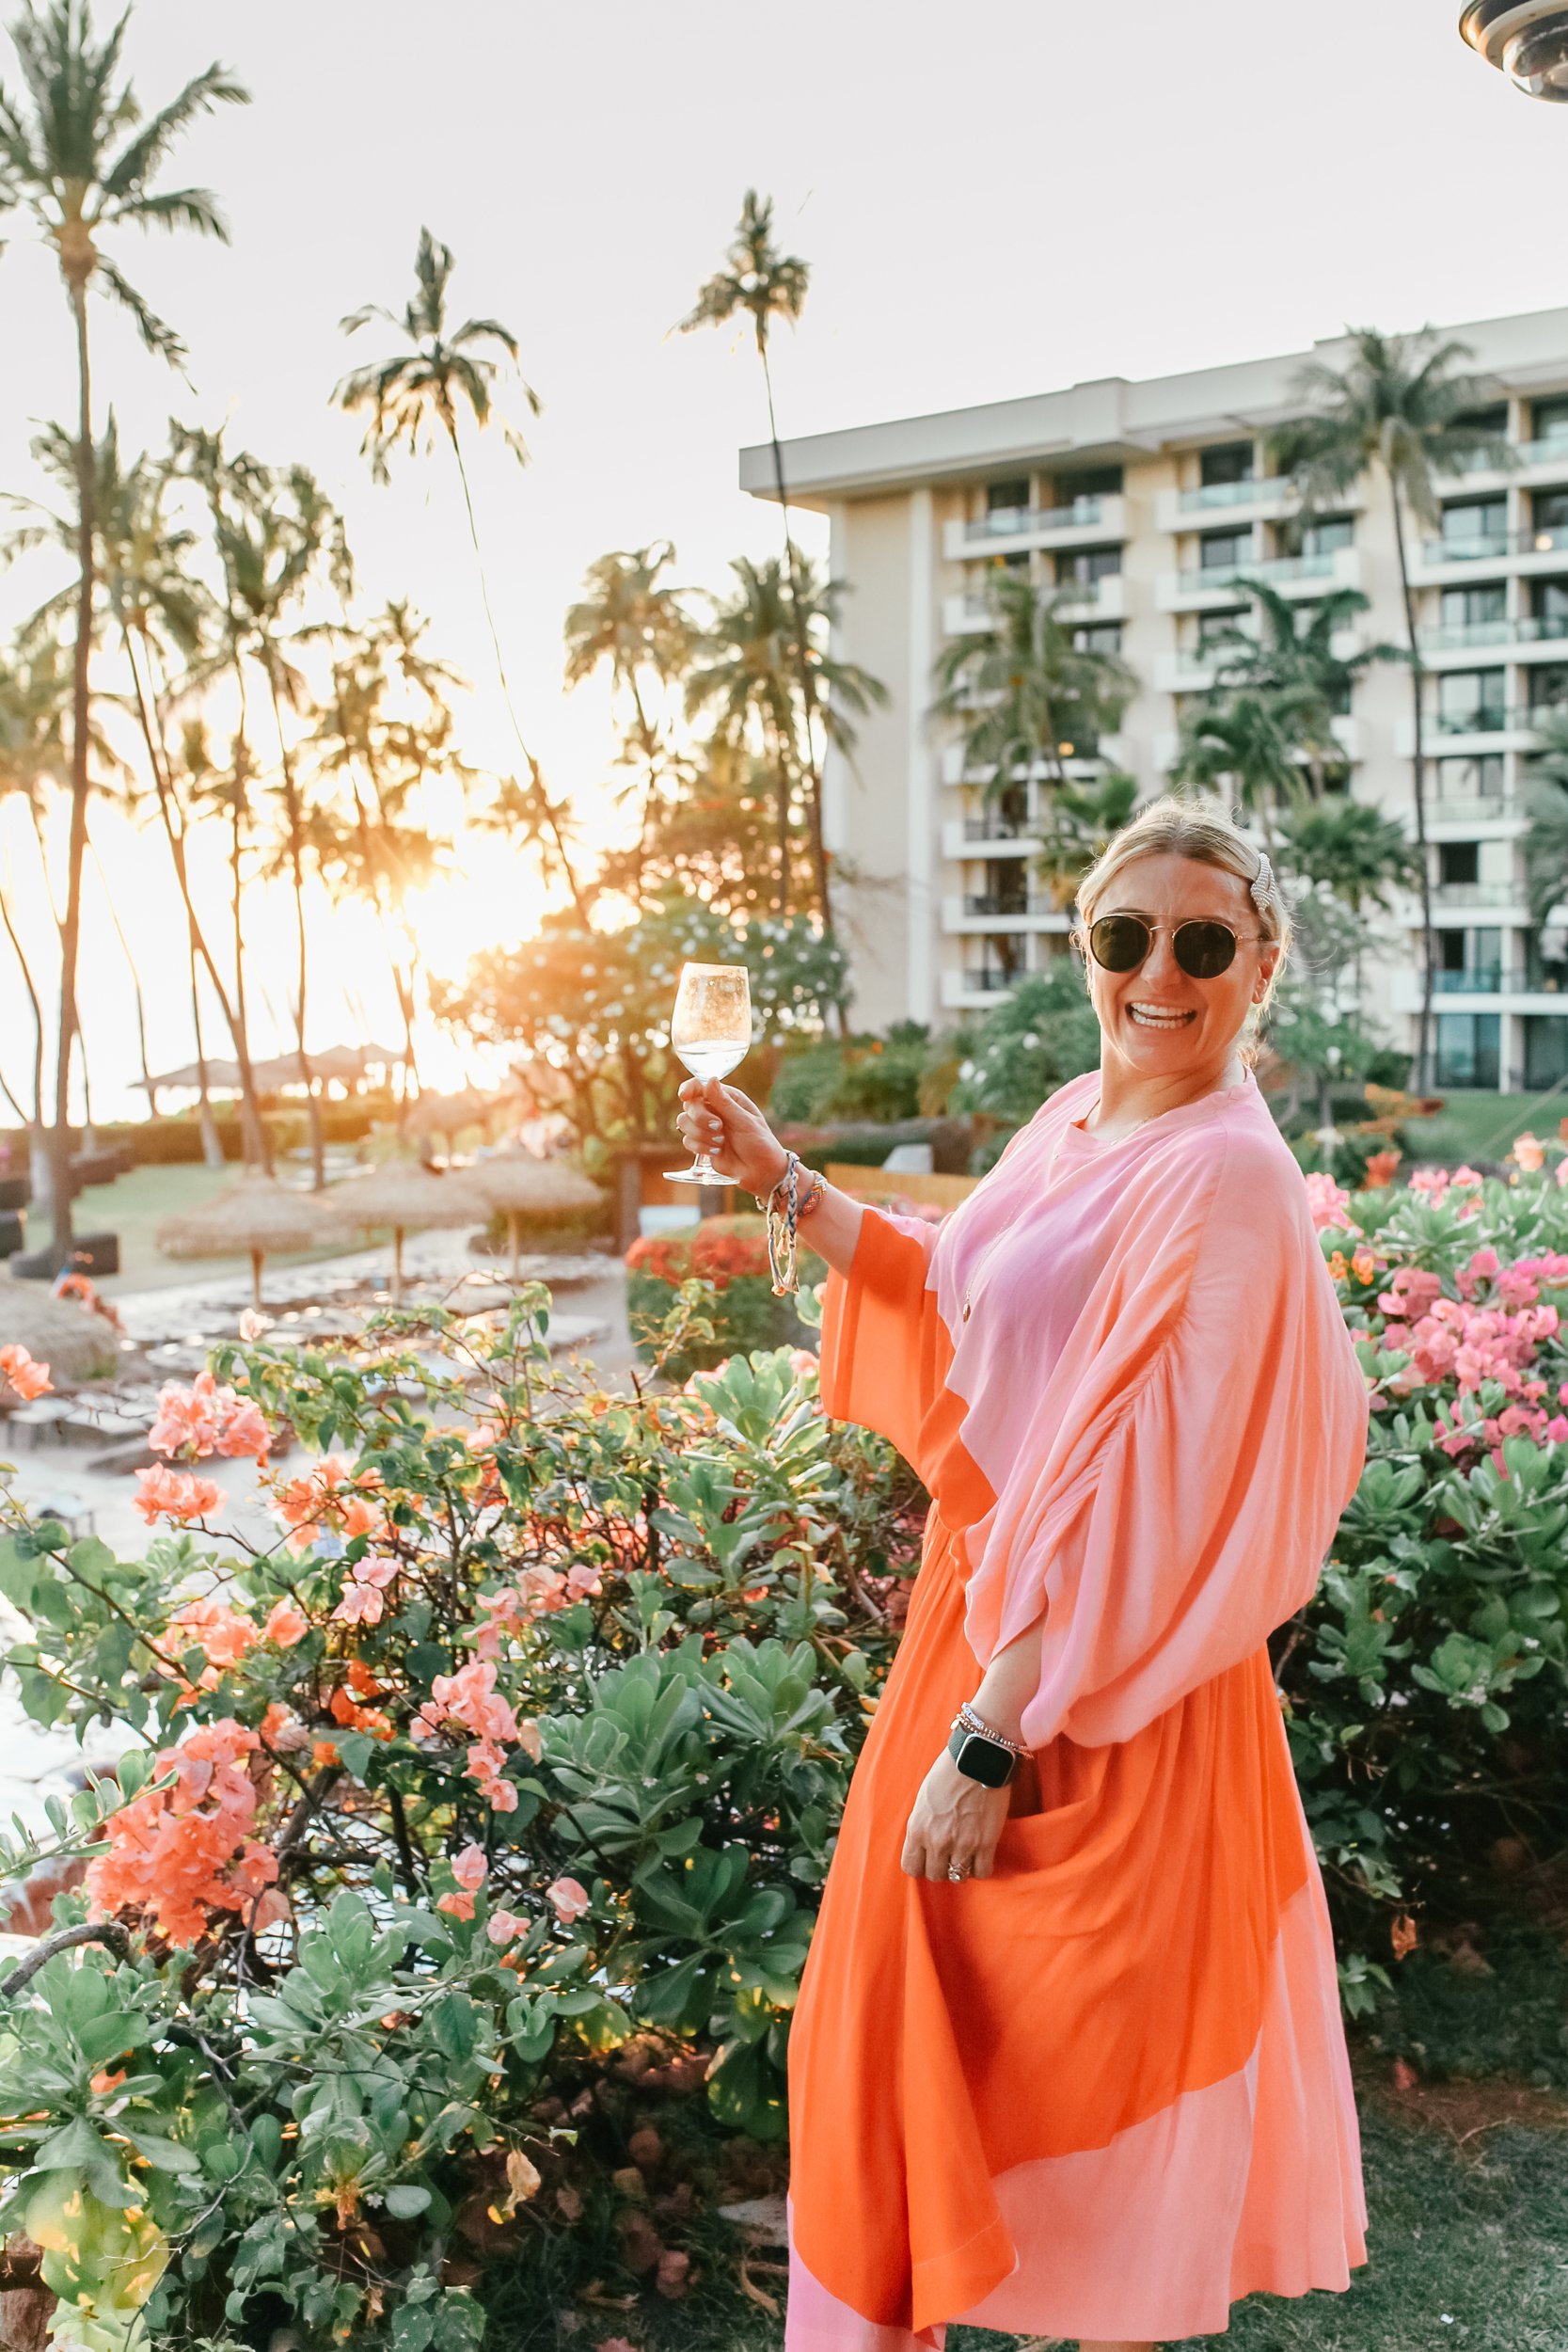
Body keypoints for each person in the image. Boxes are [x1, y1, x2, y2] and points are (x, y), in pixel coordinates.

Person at [674, 797, 1370, 2352]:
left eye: (1203, 941)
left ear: (1262, 964)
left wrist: (996, 1734)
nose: (1160, 973)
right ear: (1086, 953)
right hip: (981, 1633)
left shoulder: (1230, 1183)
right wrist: (785, 1177)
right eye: (1126, 937)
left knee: (993, 2078)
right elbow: (964, 1281)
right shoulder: (1078, 1114)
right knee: (875, 2041)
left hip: (1084, 1691)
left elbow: (1158, 1502)